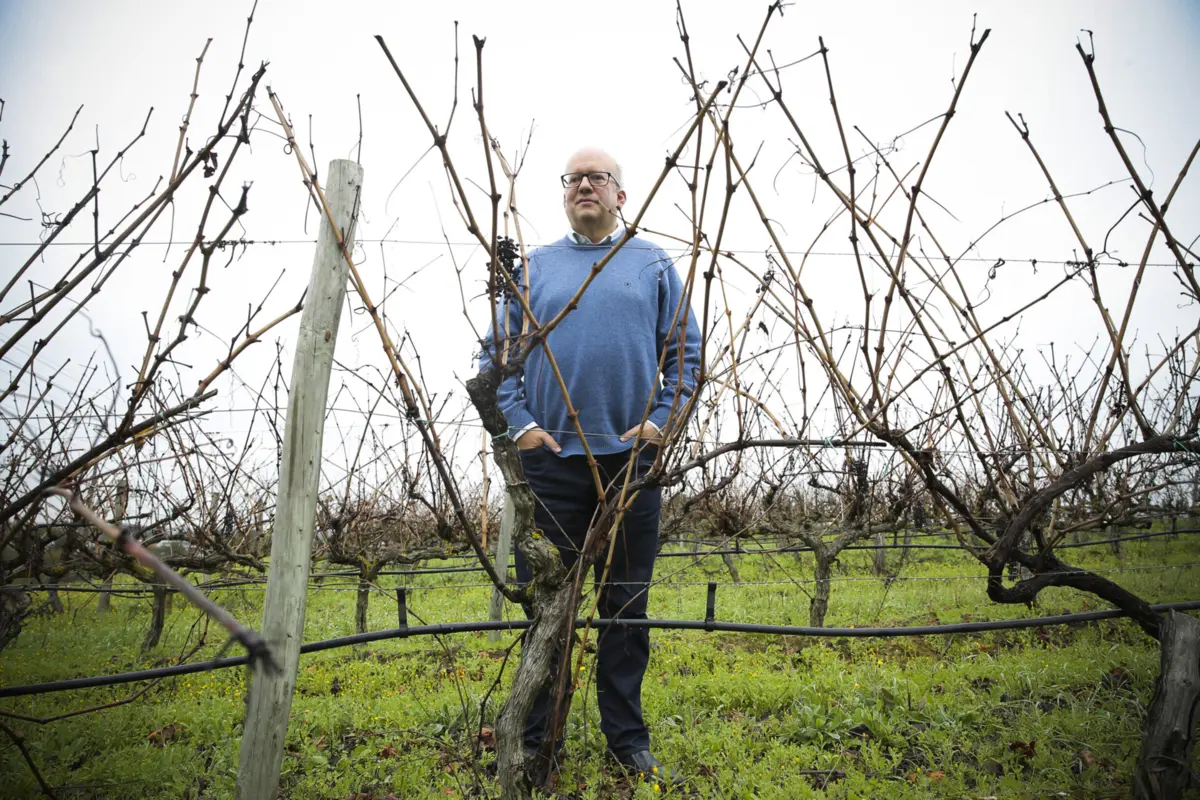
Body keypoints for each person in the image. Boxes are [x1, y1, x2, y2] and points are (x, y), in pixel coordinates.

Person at [478, 147, 701, 782]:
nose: (583, 185)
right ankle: (539, 746)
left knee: (626, 607)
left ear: (621, 195)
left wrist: (660, 425)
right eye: (572, 178)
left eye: (596, 177)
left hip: (633, 465)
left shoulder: (654, 262)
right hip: (552, 467)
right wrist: (522, 427)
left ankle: (627, 742)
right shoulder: (538, 267)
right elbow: (499, 357)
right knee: (551, 608)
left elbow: (686, 357)